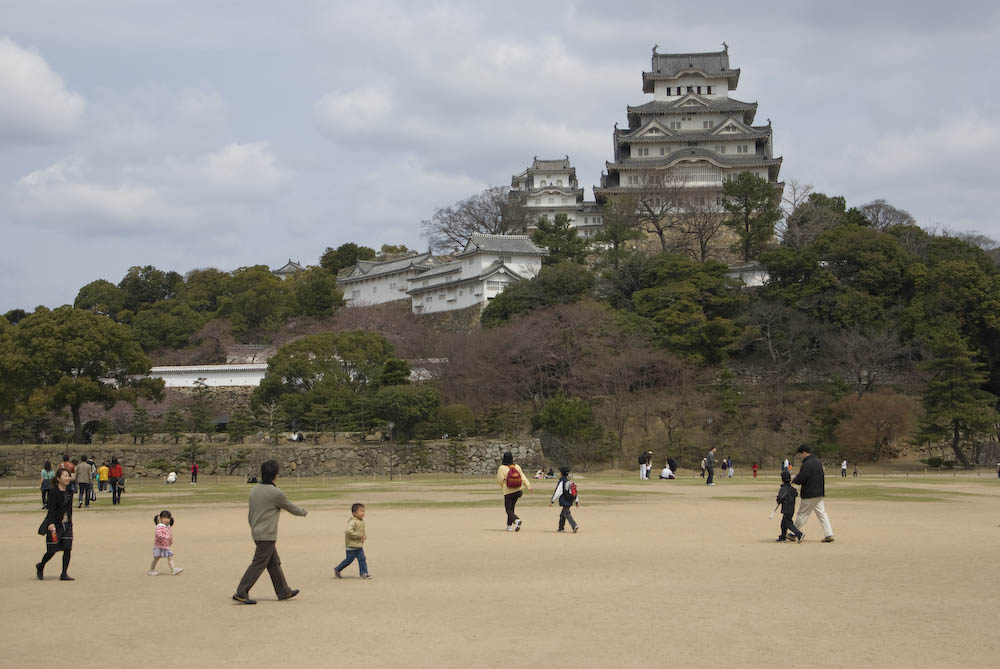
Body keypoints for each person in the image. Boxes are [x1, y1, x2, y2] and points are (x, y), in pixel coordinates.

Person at [233, 460, 307, 604]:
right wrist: (302, 512)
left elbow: (251, 514)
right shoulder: (275, 493)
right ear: (275, 475)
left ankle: (283, 591)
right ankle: (241, 591)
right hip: (266, 534)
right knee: (259, 563)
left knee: (273, 563)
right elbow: (289, 506)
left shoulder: (255, 490)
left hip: (257, 531)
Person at [36, 466, 74, 581]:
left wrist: (70, 521)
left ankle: (64, 573)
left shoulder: (69, 490)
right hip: (55, 524)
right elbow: (51, 509)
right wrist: (51, 523)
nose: (67, 478)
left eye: (68, 476)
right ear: (58, 478)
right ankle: (41, 565)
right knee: (52, 550)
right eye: (65, 476)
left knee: (67, 548)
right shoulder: (54, 491)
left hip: (67, 524)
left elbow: (69, 508)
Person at [792, 444, 834, 542]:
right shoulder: (817, 462)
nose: (800, 456)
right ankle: (829, 534)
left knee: (802, 514)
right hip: (819, 492)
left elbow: (802, 478)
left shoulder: (807, 464)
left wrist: (794, 479)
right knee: (822, 514)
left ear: (804, 452)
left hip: (809, 493)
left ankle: (793, 533)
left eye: (800, 454)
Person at [333, 503, 371, 579]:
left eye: (364, 511)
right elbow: (349, 532)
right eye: (361, 511)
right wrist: (359, 535)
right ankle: (337, 569)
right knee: (348, 560)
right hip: (351, 546)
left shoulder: (361, 521)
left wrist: (364, 536)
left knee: (362, 559)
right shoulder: (352, 522)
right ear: (354, 513)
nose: (363, 513)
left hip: (359, 546)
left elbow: (362, 530)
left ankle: (364, 573)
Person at [496, 452, 532, 531]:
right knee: (511, 508)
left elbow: (500, 480)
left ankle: (516, 520)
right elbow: (523, 477)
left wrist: (503, 486)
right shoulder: (517, 466)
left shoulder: (502, 468)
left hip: (508, 491)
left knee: (508, 509)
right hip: (518, 490)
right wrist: (528, 486)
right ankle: (509, 526)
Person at [149, 510, 183, 575]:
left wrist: (170, 541)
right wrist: (167, 537)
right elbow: (158, 535)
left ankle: (173, 570)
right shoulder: (159, 526)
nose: (167, 520)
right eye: (165, 518)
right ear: (160, 518)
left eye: (168, 518)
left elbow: (169, 534)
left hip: (165, 546)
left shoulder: (168, 526)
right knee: (156, 558)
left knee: (170, 557)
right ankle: (151, 570)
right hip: (159, 546)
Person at [775, 470, 804, 543]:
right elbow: (796, 494)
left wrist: (779, 499)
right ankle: (783, 537)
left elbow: (780, 498)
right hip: (791, 509)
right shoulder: (791, 488)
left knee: (788, 523)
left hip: (786, 509)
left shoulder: (783, 489)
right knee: (783, 523)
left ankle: (799, 534)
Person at [550, 466, 580, 532]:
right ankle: (561, 528)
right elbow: (574, 492)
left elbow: (558, 492)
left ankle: (574, 525)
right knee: (562, 514)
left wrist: (552, 501)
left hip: (564, 500)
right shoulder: (570, 482)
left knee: (566, 513)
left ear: (561, 473)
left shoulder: (562, 482)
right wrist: (576, 501)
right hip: (570, 500)